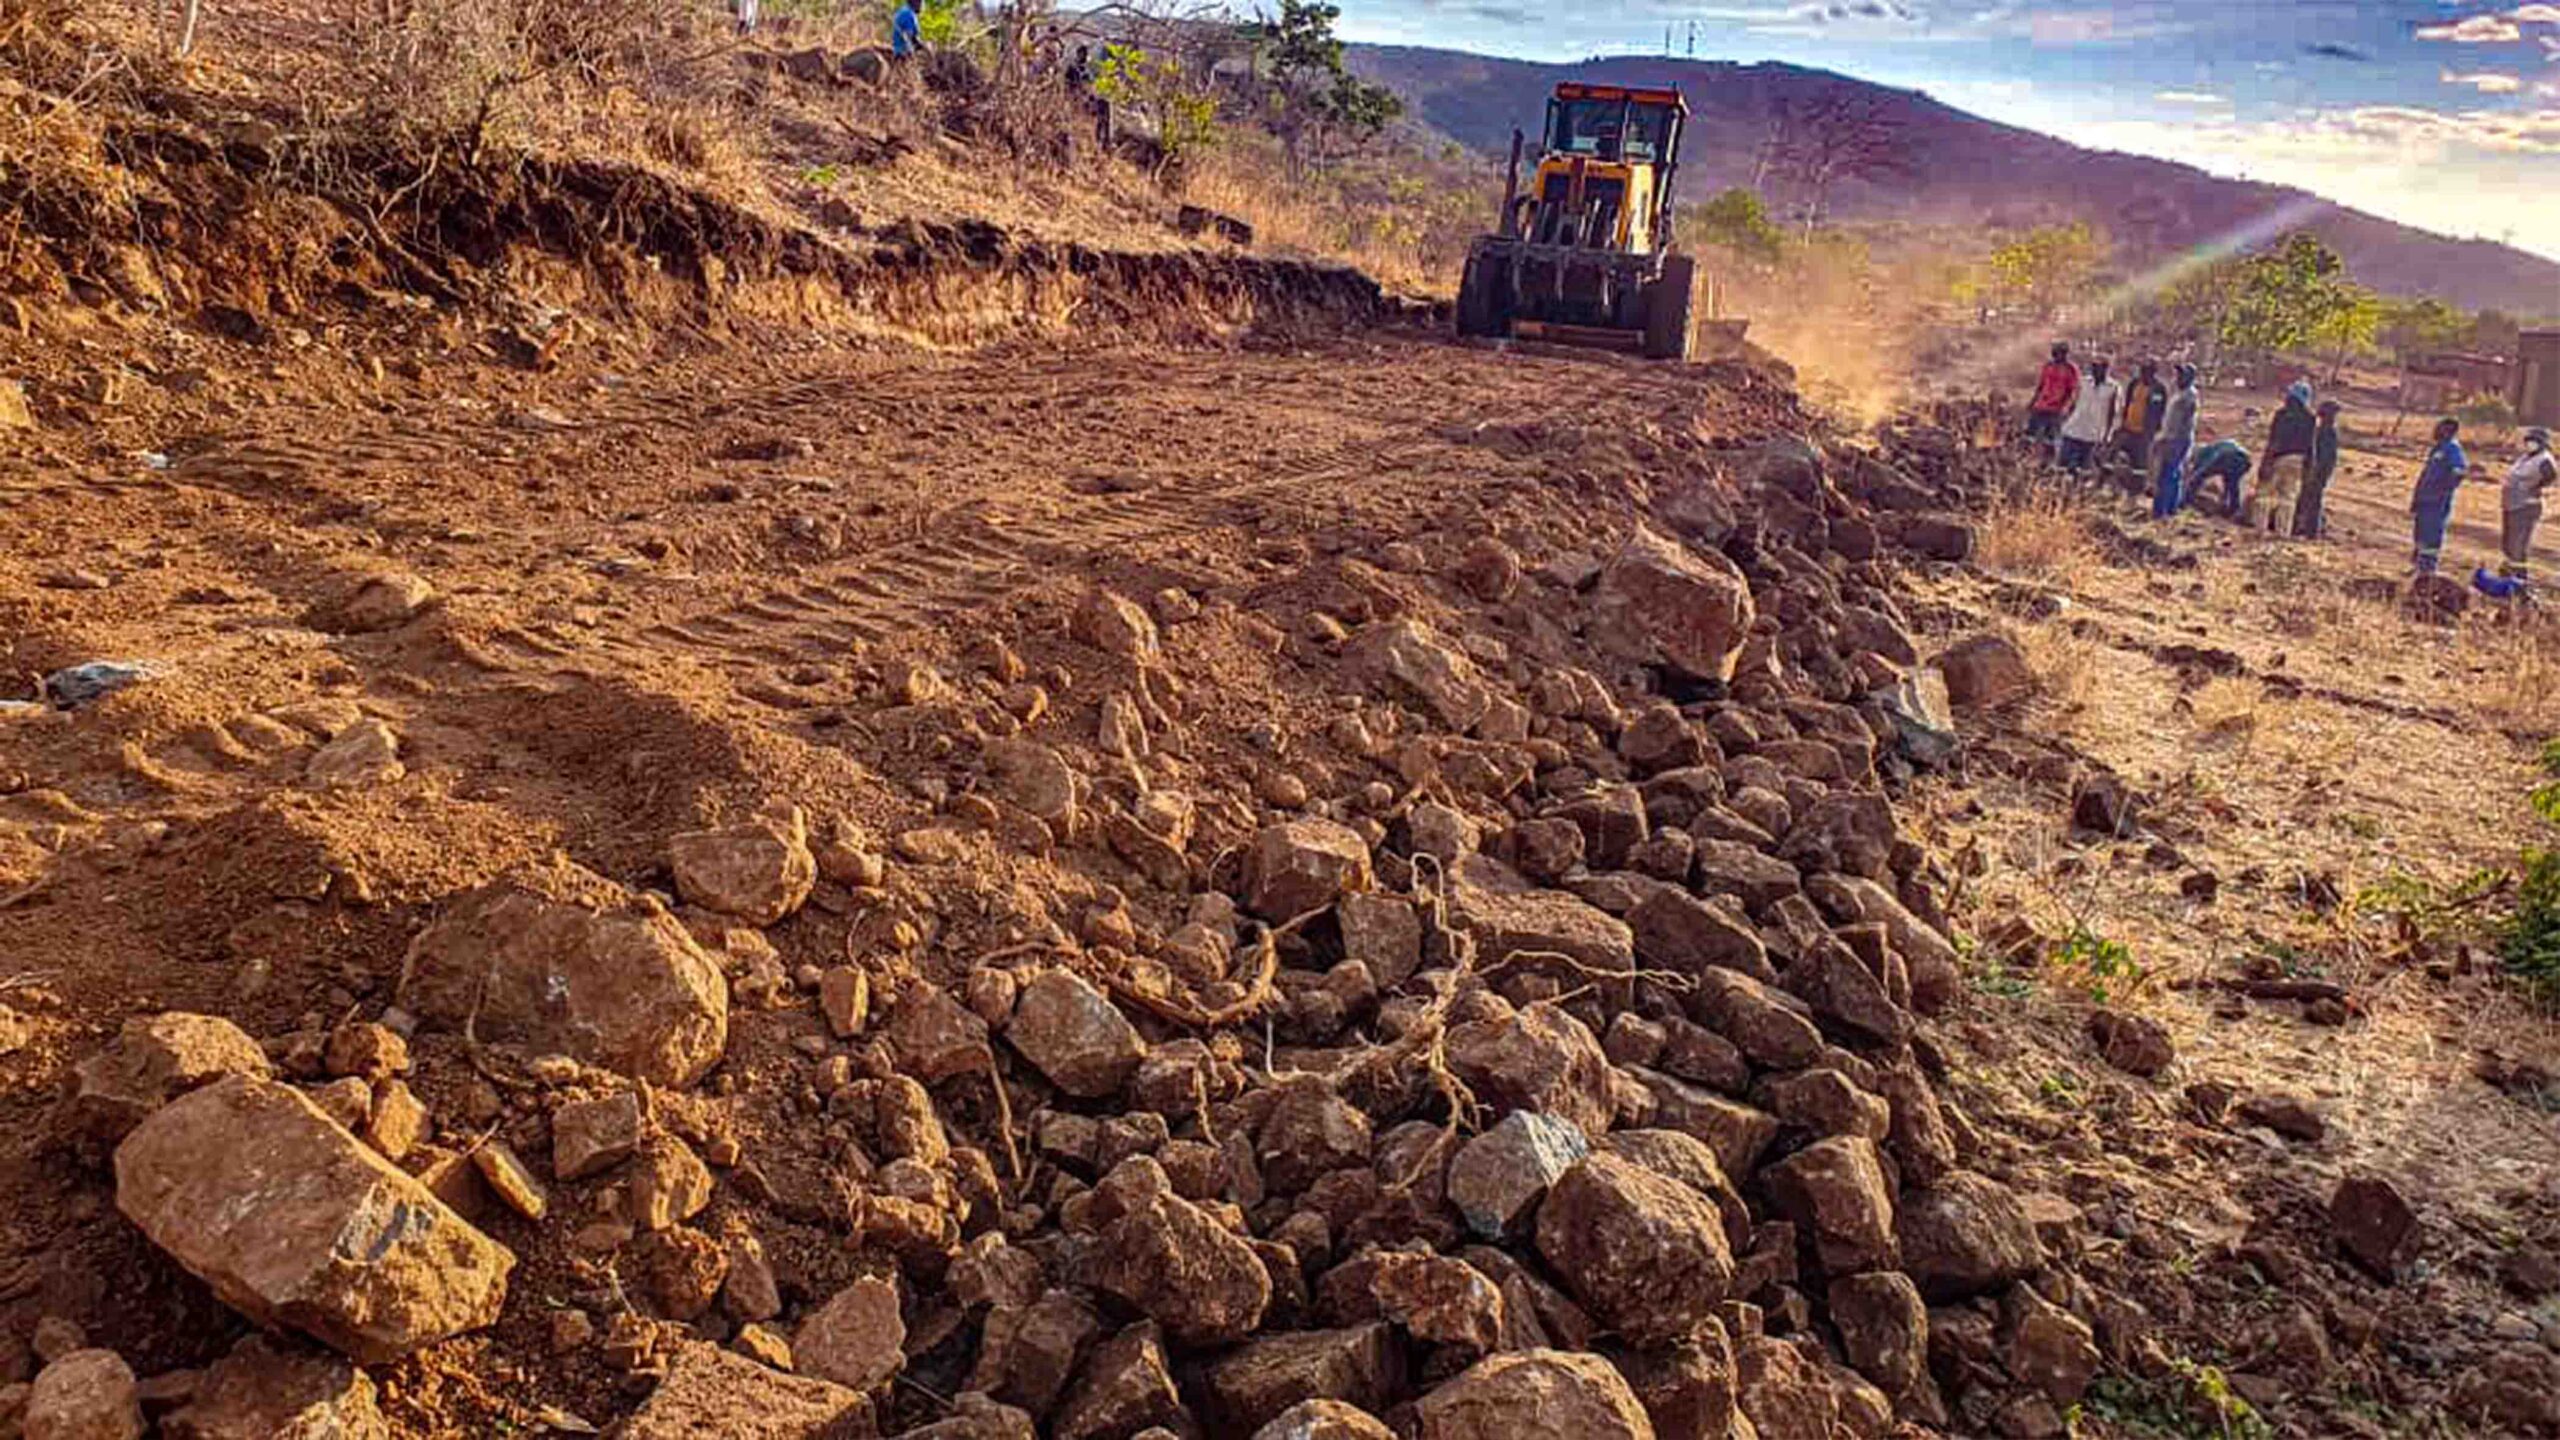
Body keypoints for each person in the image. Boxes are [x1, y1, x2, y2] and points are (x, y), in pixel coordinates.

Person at [2250, 381, 2317, 533]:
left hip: (2279, 457)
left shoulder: (2282, 415)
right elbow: (2310, 446)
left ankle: (2259, 529)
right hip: (2298, 460)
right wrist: (2309, 466)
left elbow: (2274, 440)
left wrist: (2266, 461)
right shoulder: (2310, 418)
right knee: (2288, 497)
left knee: (2264, 494)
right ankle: (2283, 532)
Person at [2409, 417, 2469, 576]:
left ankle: (2428, 571)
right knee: (2420, 533)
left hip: (2437, 501)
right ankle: (2418, 567)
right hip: (2424, 499)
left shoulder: (2453, 449)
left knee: (2432, 534)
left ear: (2449, 431)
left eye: (2440, 428)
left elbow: (2460, 471)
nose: (2435, 430)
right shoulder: (2438, 448)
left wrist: (2443, 489)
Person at [2500, 427, 2558, 586]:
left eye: (2533, 441)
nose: (2529, 444)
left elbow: (2550, 477)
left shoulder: (2544, 459)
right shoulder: (2525, 457)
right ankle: (2507, 578)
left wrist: (2534, 489)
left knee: (2517, 546)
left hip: (2526, 507)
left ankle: (2518, 582)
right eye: (2528, 441)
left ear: (2542, 443)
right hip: (2512, 504)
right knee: (2508, 544)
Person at [2151, 363, 2200, 519]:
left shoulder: (2188, 397)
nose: (2177, 378)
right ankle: (2170, 509)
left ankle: (2162, 511)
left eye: (2181, 375)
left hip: (2177, 440)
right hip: (2173, 439)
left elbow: (2180, 424)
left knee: (2167, 475)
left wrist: (2164, 439)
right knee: (2173, 474)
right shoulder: (2179, 394)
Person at [2058, 358, 2121, 476]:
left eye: (2100, 368)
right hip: (2074, 428)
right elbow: (2073, 402)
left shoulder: (2113, 387)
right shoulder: (2083, 382)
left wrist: (2108, 434)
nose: (2096, 370)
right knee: (2063, 467)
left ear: (2106, 370)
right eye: (2094, 367)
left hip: (2093, 434)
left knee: (2084, 471)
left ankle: (2078, 491)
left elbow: (2113, 413)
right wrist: (2065, 417)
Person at [2293, 400, 2343, 539]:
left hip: (2319, 470)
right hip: (2321, 469)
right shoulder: (2327, 430)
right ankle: (2307, 528)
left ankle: (2310, 530)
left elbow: (2323, 456)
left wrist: (2314, 471)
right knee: (2311, 497)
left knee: (2312, 497)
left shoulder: (2327, 432)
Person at [2184, 422, 2255, 519]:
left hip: (2230, 456)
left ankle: (2187, 501)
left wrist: (2187, 492)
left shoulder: (2203, 455)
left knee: (2228, 482)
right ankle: (2232, 508)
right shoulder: (2212, 448)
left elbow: (2198, 474)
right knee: (2232, 483)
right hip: (2244, 458)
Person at [2113, 360, 2167, 471]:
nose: (2144, 374)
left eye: (2148, 371)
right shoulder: (2134, 384)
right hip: (2128, 428)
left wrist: (2153, 430)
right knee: (2111, 454)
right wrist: (2123, 421)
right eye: (2143, 371)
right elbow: (2128, 403)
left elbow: (2159, 411)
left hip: (2144, 433)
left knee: (2140, 463)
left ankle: (2139, 484)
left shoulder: (2158, 389)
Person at [2027, 344, 2078, 457]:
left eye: (2060, 353)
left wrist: (2067, 407)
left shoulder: (2070, 369)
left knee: (2051, 438)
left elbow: (2072, 390)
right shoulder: (2048, 366)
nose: (2057, 356)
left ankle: (2048, 462)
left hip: (2056, 408)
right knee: (2031, 434)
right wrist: (2033, 401)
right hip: (2041, 405)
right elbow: (2041, 385)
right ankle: (2029, 457)